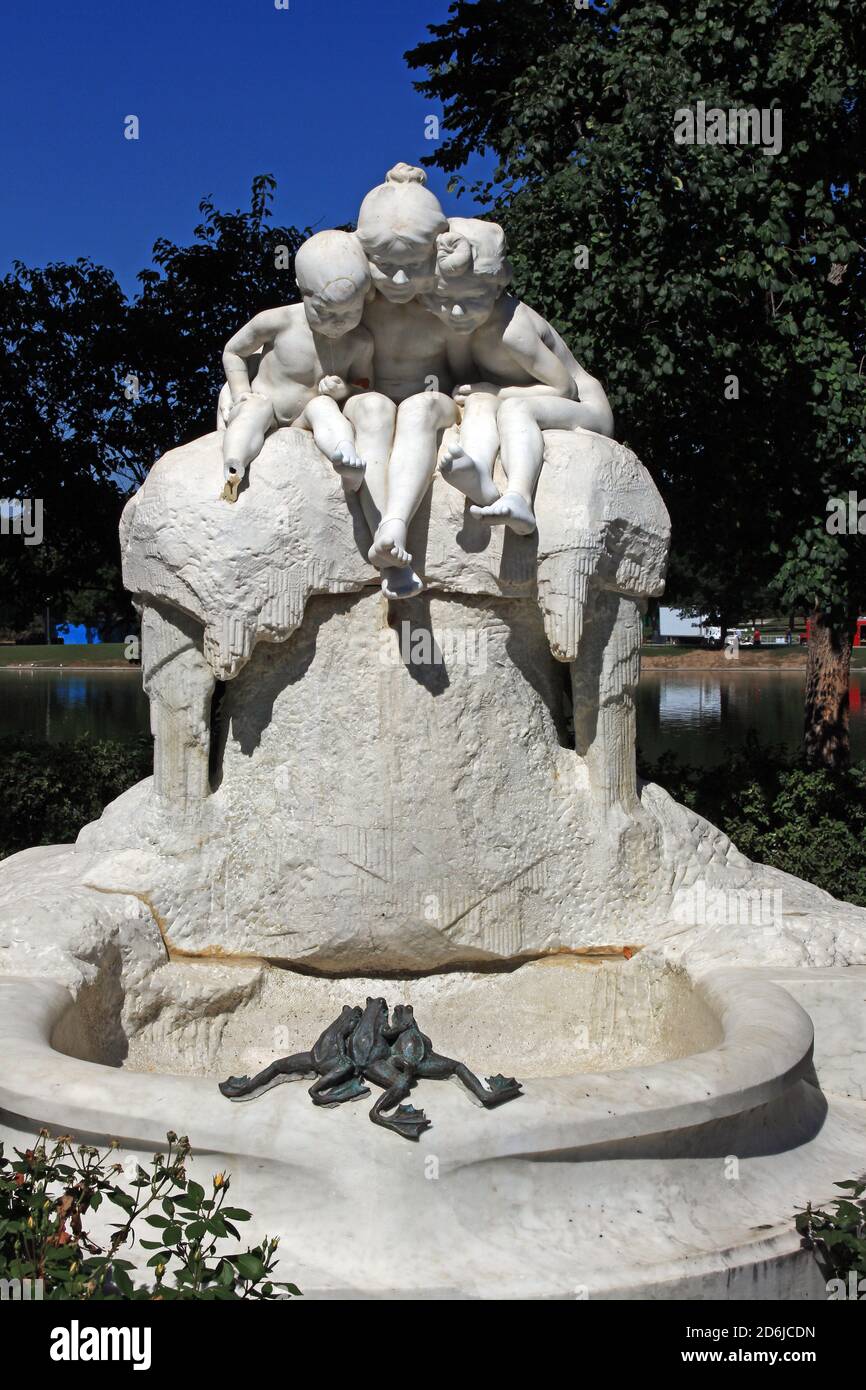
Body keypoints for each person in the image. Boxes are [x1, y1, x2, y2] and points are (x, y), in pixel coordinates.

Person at [421, 218, 614, 536]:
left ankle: (519, 497)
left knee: (512, 408)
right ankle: (479, 472)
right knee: (479, 401)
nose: (456, 313)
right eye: (445, 301)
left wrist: (496, 393)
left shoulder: (511, 331)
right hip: (520, 396)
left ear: (496, 288)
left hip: (585, 408)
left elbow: (564, 388)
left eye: (471, 301)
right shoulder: (461, 326)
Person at [350, 165, 468, 597]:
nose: (399, 280)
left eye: (412, 266)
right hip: (372, 398)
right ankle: (386, 541)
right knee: (372, 408)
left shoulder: (446, 308)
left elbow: (464, 371)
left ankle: (393, 526)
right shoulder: (354, 305)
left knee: (419, 407)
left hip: (431, 402)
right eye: (385, 265)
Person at [218, 229, 373, 501]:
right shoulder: (278, 321)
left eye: (351, 313)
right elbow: (233, 351)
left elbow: (365, 385)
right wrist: (241, 391)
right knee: (254, 409)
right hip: (268, 405)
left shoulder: (361, 341)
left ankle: (346, 459)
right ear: (303, 290)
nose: (338, 322)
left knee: (324, 408)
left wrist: (344, 391)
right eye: (325, 312)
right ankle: (234, 464)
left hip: (306, 418)